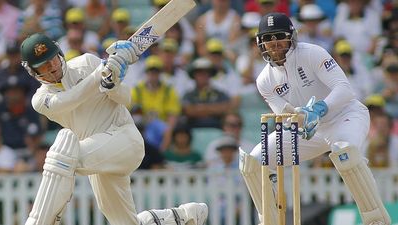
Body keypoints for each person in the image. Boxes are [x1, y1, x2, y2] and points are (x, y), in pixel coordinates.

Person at [20, 33, 208, 225]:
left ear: (59, 53)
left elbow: (127, 99)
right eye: (43, 65)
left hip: (124, 140)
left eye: (52, 59)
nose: (52, 67)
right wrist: (101, 72)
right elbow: (71, 99)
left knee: (63, 153)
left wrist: (113, 85)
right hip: (97, 159)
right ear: (33, 72)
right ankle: (185, 215)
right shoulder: (40, 99)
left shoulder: (86, 63)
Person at [238, 13, 391, 225]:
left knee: (345, 153)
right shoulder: (264, 80)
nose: (274, 44)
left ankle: (376, 220)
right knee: (253, 162)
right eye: (268, 39)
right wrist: (299, 119)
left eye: (279, 36)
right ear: (260, 43)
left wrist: (318, 109)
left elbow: (345, 89)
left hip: (345, 116)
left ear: (292, 37)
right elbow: (285, 114)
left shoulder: (312, 53)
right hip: (308, 130)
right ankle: (270, 221)